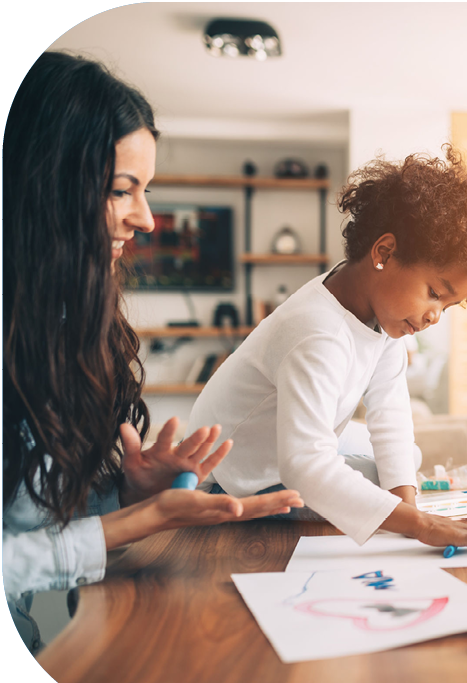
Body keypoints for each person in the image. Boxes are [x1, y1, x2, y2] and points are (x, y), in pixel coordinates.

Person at [2, 52, 304, 652]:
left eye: (147, 191)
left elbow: (30, 512)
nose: (145, 218)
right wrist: (134, 523)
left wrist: (128, 495)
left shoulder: (56, 324)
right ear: (43, 185)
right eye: (122, 190)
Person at [187, 147, 467, 549]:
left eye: (447, 306)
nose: (435, 315)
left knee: (403, 461)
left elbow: (392, 418)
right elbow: (305, 465)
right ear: (383, 253)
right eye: (435, 293)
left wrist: (411, 517)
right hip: (231, 480)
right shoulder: (316, 331)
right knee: (370, 486)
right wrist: (420, 525)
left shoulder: (377, 313)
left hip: (273, 455)